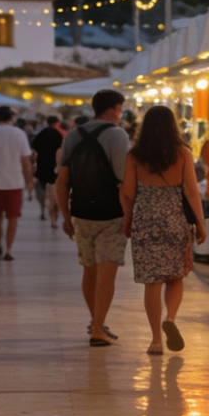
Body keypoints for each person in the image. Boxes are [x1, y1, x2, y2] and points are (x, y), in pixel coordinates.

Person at [121, 105, 205, 356]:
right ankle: (170, 318)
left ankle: (156, 340)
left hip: (146, 220)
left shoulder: (134, 156)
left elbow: (128, 194)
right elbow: (192, 192)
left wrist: (128, 222)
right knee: (175, 275)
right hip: (174, 219)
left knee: (152, 281)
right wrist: (201, 224)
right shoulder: (183, 153)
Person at [57, 89, 130, 347]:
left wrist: (66, 217)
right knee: (107, 272)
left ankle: (96, 321)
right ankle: (98, 328)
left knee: (89, 270)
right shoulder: (117, 135)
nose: (120, 115)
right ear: (113, 110)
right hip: (111, 215)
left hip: (81, 213)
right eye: (120, 110)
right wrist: (129, 215)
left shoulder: (73, 135)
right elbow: (124, 181)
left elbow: (62, 181)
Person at [0, 105, 34, 261]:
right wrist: (29, 181)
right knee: (13, 218)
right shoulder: (19, 134)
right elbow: (26, 161)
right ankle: (9, 250)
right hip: (15, 183)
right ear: (12, 117)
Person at [31, 115, 65, 227]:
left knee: (43, 192)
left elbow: (34, 152)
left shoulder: (41, 134)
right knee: (55, 196)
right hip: (55, 172)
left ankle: (44, 210)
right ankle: (54, 216)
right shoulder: (58, 135)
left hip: (42, 169)